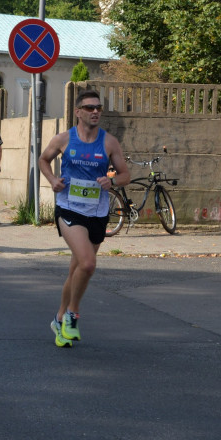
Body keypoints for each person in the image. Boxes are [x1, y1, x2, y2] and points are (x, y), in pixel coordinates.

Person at [38, 89, 131, 348]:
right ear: (78, 112)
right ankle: (72, 316)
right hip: (69, 208)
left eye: (98, 108)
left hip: (97, 212)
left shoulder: (109, 142)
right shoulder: (64, 139)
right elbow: (44, 160)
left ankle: (58, 319)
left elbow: (125, 175)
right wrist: (53, 180)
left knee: (76, 270)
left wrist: (110, 179)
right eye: (89, 108)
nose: (95, 112)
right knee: (88, 264)